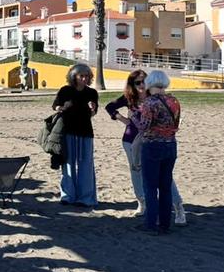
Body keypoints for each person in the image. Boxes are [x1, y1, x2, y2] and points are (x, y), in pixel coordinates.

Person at [105, 70, 186, 222]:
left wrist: (134, 118)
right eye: (137, 82)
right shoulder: (129, 98)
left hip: (152, 142)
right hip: (131, 140)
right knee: (136, 172)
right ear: (132, 84)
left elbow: (149, 124)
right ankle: (142, 203)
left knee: (163, 178)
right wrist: (122, 119)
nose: (141, 85)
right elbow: (109, 106)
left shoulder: (154, 98)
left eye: (144, 81)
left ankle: (178, 206)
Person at [135, 70, 183, 234]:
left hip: (153, 146)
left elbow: (144, 127)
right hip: (171, 144)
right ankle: (165, 223)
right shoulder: (174, 100)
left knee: (150, 186)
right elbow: (176, 123)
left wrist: (134, 117)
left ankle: (151, 224)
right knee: (165, 186)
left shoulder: (150, 103)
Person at [52, 64, 98, 207]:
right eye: (81, 76)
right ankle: (67, 196)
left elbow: (93, 113)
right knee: (68, 164)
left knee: (86, 164)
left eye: (87, 76)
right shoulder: (65, 90)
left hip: (85, 131)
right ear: (74, 76)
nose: (84, 78)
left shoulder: (92, 93)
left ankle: (85, 197)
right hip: (68, 131)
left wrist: (93, 108)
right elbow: (55, 106)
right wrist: (62, 107)